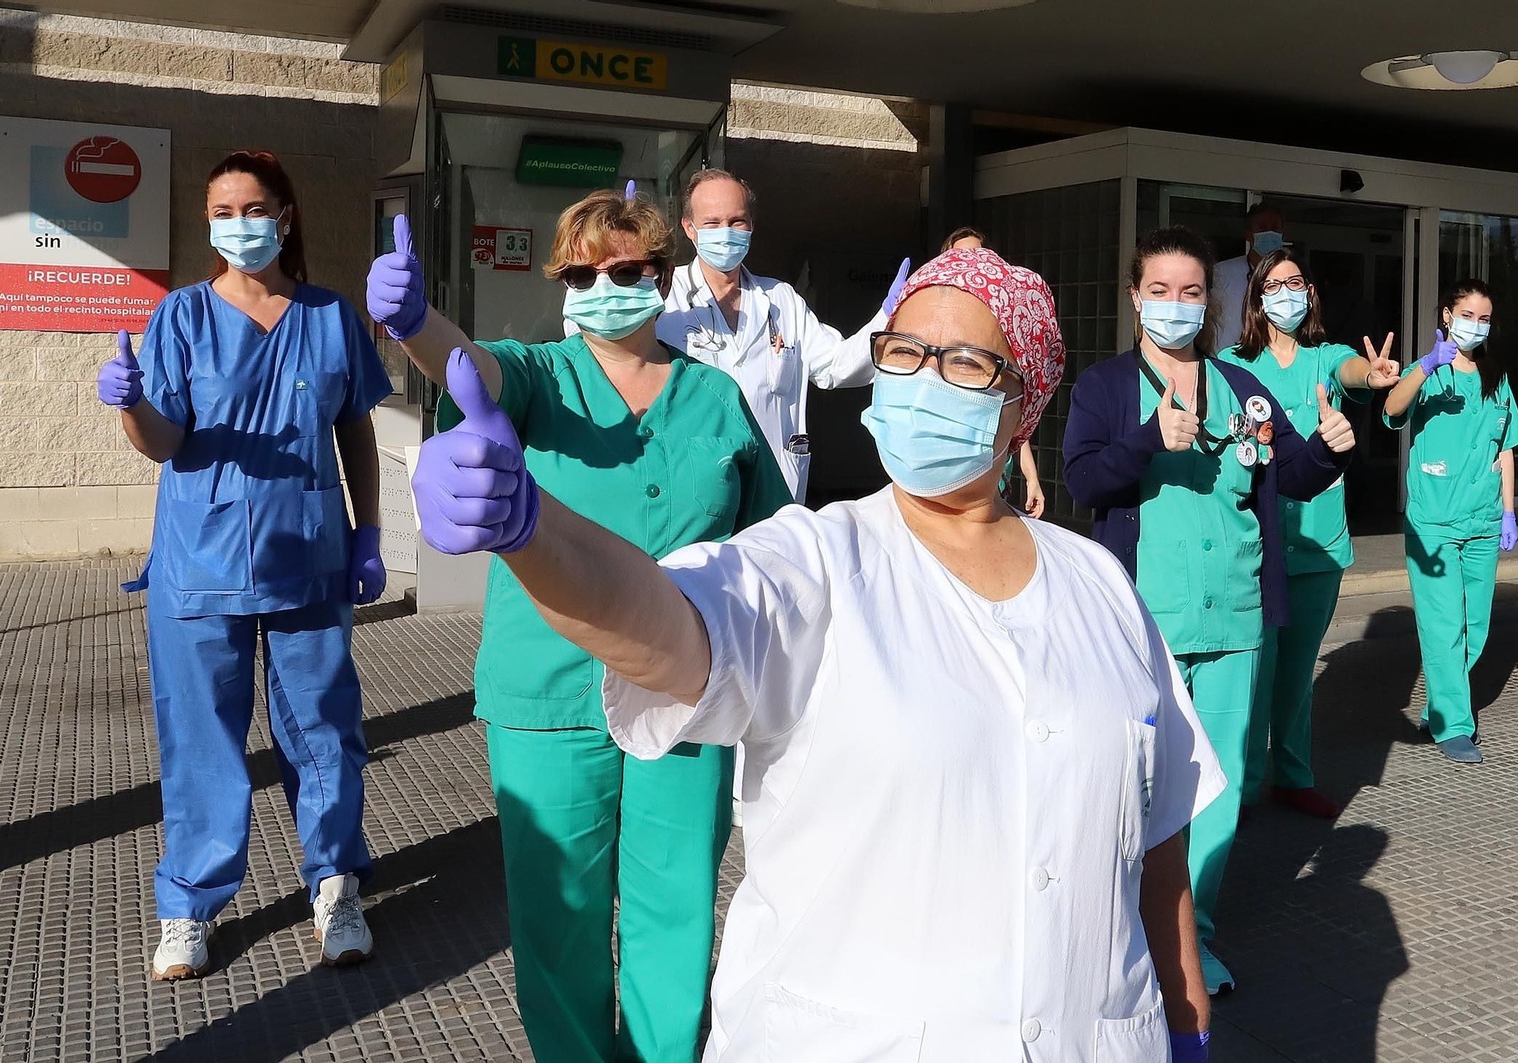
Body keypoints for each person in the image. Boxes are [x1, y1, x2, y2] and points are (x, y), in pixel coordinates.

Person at [410, 247, 1227, 1063]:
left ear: (1027, 404)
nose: (926, 379)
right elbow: (675, 621)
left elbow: (1158, 836)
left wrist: (1185, 1012)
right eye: (904, 353)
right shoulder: (818, 560)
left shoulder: (1101, 585)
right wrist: (531, 530)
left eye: (967, 362)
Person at [365, 191, 790, 1063]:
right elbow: (471, 370)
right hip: (548, 694)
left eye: (626, 270)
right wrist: (416, 322)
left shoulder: (717, 398)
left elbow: (775, 546)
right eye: (584, 272)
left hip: (688, 690)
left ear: (661, 278)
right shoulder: (538, 376)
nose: (606, 285)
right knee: (559, 921)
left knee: (676, 906)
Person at [94, 150, 391, 980]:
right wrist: (131, 405)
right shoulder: (182, 317)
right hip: (199, 564)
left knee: (326, 732)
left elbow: (356, 427)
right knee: (200, 738)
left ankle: (336, 884)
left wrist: (369, 533)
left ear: (285, 216)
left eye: (253, 208)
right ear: (208, 224)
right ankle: (189, 904)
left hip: (310, 557)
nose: (239, 225)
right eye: (222, 211)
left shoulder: (330, 316)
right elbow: (166, 442)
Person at [1062, 226, 1355, 996]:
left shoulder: (1242, 389)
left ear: (1211, 304)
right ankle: (1121, 933)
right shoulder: (1105, 388)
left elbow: (1289, 471)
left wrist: (1329, 448)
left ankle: (1196, 937)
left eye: (1191, 293)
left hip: (1234, 620)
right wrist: (1147, 441)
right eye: (1159, 291)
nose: (1175, 306)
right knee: (1134, 789)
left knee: (1212, 793)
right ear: (1135, 299)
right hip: (1141, 626)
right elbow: (1085, 482)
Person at [1220, 249, 1401, 819]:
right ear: (1256, 298)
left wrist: (1370, 377)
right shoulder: (1231, 365)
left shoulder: (1329, 357)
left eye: (1296, 282)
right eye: (1275, 285)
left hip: (1320, 546)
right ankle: (1243, 786)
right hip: (1257, 545)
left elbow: (1354, 373)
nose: (1287, 293)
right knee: (1255, 670)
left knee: (1297, 673)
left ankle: (1293, 775)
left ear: (1311, 292)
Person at [657, 168, 909, 504]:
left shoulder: (781, 299)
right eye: (712, 223)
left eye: (737, 222)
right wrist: (623, 275)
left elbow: (835, 366)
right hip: (695, 490)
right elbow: (604, 350)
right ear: (689, 228)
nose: (726, 233)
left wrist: (888, 316)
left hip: (775, 485)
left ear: (752, 226)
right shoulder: (664, 301)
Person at [1383, 280, 1518, 765]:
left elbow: (1504, 448)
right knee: (1444, 626)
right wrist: (1425, 366)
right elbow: (1391, 408)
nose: (1475, 325)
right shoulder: (1428, 373)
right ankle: (1453, 725)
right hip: (1434, 522)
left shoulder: (1497, 378)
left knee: (1476, 627)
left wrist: (1509, 511)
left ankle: (1439, 702)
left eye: (1484, 318)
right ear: (1447, 315)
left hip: (1484, 518)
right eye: (1467, 315)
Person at [938, 226, 1045, 517]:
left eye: (978, 256)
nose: (970, 264)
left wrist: (1032, 479)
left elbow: (1014, 416)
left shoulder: (1002, 328)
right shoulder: (936, 322)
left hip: (994, 479)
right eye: (960, 257)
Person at [1211, 202, 1285, 353]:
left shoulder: (1291, 276)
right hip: (1227, 358)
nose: (1270, 232)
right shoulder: (1223, 272)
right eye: (1262, 228)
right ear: (1248, 234)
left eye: (1275, 228)